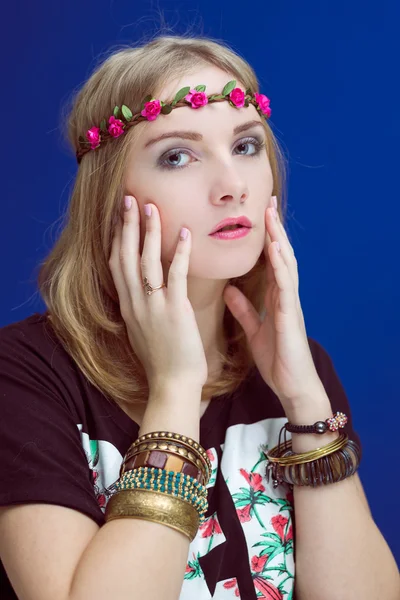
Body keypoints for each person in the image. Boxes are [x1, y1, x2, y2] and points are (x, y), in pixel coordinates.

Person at [1, 34, 399, 600]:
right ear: (112, 196)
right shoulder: (21, 376)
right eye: (177, 156)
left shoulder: (299, 372)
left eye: (245, 146)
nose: (232, 186)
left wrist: (308, 406)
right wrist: (175, 390)